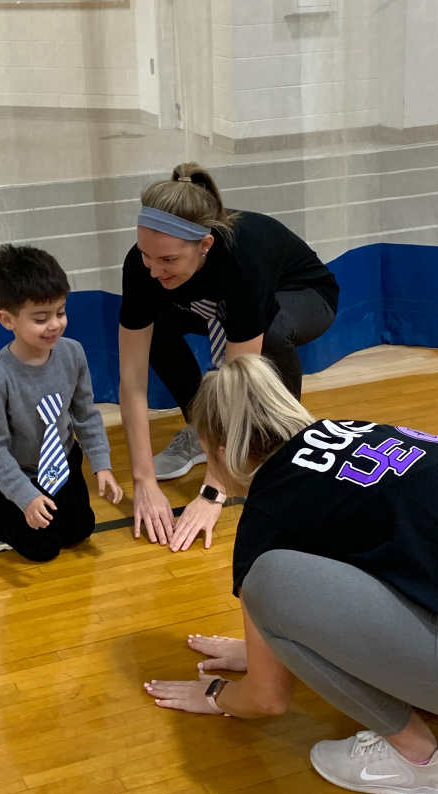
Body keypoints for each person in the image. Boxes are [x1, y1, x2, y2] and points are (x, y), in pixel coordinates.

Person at [144, 354, 438, 794]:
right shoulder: (358, 431)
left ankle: (417, 761)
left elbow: (267, 700)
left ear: (221, 451)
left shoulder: (269, 510)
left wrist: (218, 695)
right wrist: (266, 646)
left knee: (269, 583)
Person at [119, 162, 338, 552]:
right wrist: (143, 481)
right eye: (146, 256)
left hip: (303, 294)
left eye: (167, 260)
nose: (153, 270)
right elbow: (132, 380)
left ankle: (280, 449)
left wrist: (213, 492)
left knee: (265, 339)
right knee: (155, 329)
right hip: (210, 303)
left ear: (204, 245)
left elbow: (239, 382)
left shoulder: (243, 260)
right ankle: (200, 432)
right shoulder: (144, 266)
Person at [0, 244, 123, 561]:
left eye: (61, 312)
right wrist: (25, 497)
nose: (54, 325)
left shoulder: (73, 353)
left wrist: (102, 464)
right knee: (44, 547)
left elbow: (85, 414)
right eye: (41, 318)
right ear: (7, 320)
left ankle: (42, 506)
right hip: (19, 471)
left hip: (63, 459)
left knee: (79, 531)